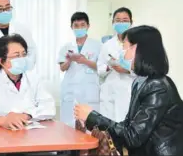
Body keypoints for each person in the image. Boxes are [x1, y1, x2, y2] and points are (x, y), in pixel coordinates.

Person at [74, 25, 183, 156]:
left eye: (124, 47)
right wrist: (89, 120)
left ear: (138, 49)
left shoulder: (158, 87)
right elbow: (127, 126)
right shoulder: (140, 82)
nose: (122, 52)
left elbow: (133, 136)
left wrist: (92, 116)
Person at [0, 34, 55, 130]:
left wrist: (25, 116)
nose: (22, 59)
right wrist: (3, 120)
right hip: (0, 135)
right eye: (17, 56)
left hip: (31, 134)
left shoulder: (34, 79)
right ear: (2, 61)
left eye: (24, 54)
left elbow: (49, 107)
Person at [57, 12, 101, 128]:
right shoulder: (66, 47)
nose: (79, 28)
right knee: (68, 125)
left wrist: (84, 61)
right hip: (70, 89)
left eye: (82, 25)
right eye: (76, 25)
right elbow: (62, 68)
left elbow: (101, 67)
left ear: (88, 26)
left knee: (90, 126)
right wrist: (70, 60)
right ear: (71, 27)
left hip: (90, 89)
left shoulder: (98, 46)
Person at [97, 7, 135, 122]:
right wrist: (110, 66)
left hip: (129, 90)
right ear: (113, 23)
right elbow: (100, 70)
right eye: (118, 20)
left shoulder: (137, 44)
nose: (121, 23)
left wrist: (127, 69)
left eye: (125, 20)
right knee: (110, 129)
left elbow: (145, 68)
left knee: (127, 126)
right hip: (110, 92)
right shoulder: (107, 45)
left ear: (131, 22)